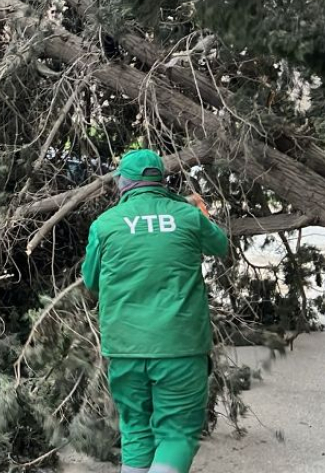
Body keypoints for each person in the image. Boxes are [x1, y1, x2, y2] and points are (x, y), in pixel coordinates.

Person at [82, 149, 228, 473]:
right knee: (176, 433)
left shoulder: (104, 225)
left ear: (124, 183)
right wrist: (201, 212)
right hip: (180, 345)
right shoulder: (188, 217)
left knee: (135, 429)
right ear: (163, 181)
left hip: (125, 348)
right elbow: (221, 247)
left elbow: (90, 280)